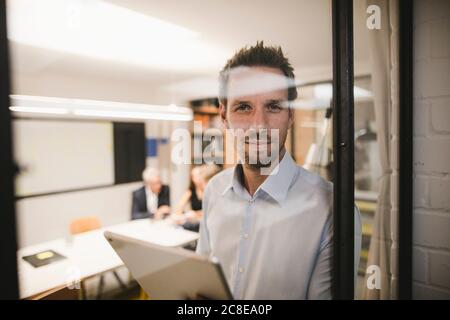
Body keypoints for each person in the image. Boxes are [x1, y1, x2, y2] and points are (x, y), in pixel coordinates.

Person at [196, 41, 359, 299]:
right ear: (224, 117)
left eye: (273, 107)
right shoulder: (214, 191)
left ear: (291, 116)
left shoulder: (332, 209)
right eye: (244, 107)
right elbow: (202, 287)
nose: (259, 125)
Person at [173, 165, 219, 232]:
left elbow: (212, 212)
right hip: (197, 222)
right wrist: (184, 216)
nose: (199, 178)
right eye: (195, 176)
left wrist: (195, 213)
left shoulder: (211, 192)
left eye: (200, 174)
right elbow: (178, 208)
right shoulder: (191, 191)